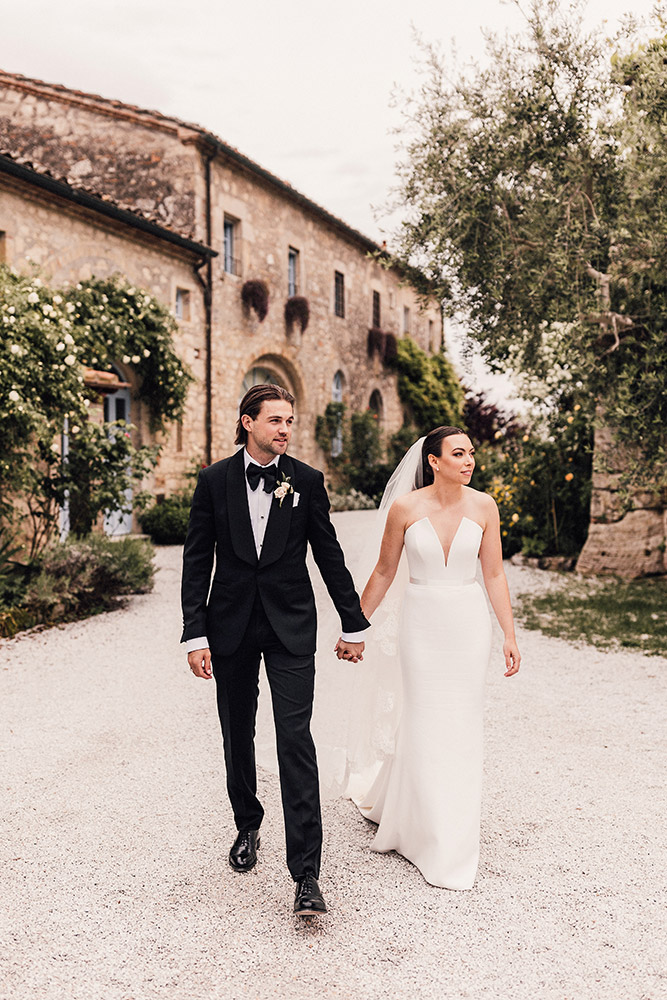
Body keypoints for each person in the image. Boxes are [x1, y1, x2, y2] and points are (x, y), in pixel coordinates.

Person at [181, 384, 370, 916]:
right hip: (230, 628)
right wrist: (195, 633)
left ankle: (306, 873)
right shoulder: (214, 481)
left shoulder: (305, 481)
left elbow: (329, 555)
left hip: (290, 628)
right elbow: (197, 561)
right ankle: (247, 824)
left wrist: (352, 622)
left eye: (290, 420)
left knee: (295, 740)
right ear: (248, 423)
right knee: (237, 732)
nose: (285, 429)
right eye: (275, 421)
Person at [338, 425, 520, 890]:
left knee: (462, 723)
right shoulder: (405, 508)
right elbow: (383, 570)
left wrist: (509, 634)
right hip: (421, 625)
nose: (469, 460)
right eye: (458, 453)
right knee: (422, 718)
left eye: (472, 453)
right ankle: (416, 825)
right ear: (434, 461)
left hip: (466, 624)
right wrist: (354, 625)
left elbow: (495, 574)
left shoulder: (484, 506)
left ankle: (453, 838)